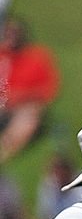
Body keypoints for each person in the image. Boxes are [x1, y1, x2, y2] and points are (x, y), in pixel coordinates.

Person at [0, 16, 59, 162]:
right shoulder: (3, 57)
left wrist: (20, 96)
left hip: (26, 105)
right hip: (4, 103)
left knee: (27, 116)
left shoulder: (37, 56)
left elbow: (47, 90)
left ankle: (5, 151)